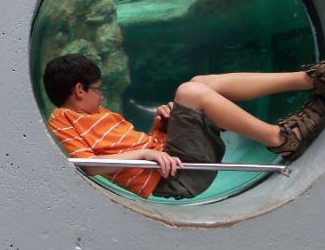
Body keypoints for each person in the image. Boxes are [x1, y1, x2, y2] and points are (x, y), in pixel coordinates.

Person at [43, 53, 325, 200]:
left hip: (174, 160)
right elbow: (89, 166)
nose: (102, 96)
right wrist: (145, 154)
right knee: (189, 92)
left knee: (199, 82)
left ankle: (308, 79)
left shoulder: (101, 114)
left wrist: (160, 127)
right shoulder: (62, 119)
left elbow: (143, 152)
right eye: (97, 89)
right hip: (177, 178)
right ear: (79, 90)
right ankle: (280, 139)